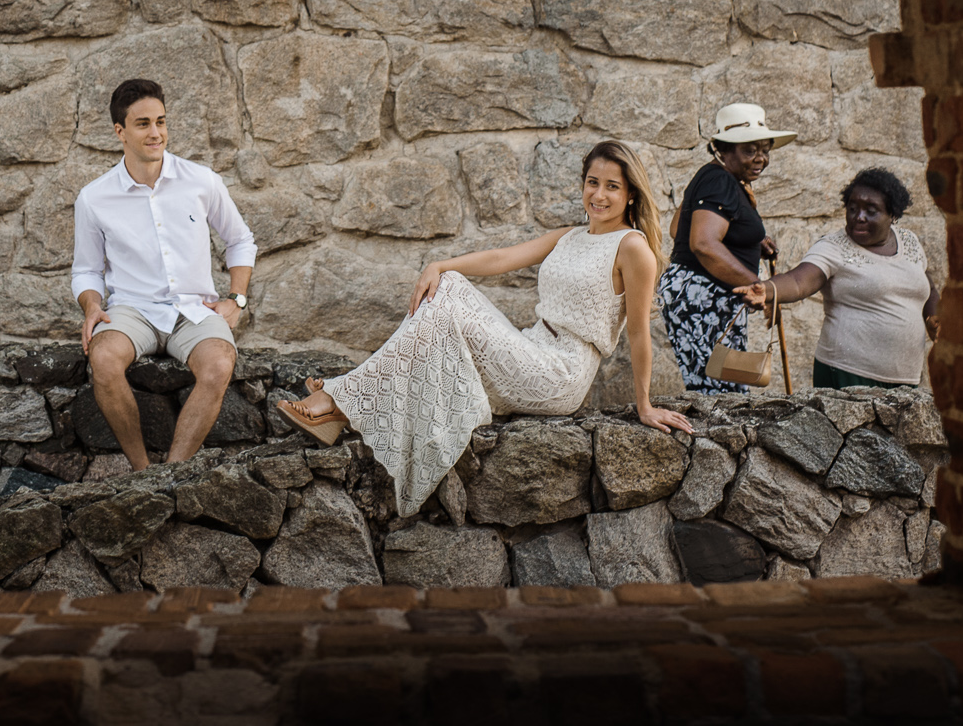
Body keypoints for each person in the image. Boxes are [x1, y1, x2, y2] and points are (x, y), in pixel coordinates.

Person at [272, 140, 693, 517]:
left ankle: (338, 397)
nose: (598, 195)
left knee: (449, 299)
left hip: (562, 372)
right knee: (448, 288)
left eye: (612, 186)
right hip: (532, 346)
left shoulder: (633, 248)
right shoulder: (571, 235)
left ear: (631, 193)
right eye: (592, 182)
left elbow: (638, 333)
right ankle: (344, 407)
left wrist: (644, 405)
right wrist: (439, 263)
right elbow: (500, 258)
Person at [73, 78, 256, 471]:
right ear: (119, 131)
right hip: (131, 311)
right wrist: (91, 305)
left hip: (194, 308)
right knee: (103, 359)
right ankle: (141, 472)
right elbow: (87, 269)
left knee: (220, 363)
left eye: (161, 121)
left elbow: (240, 240)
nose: (156, 133)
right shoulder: (94, 197)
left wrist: (236, 298)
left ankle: (171, 474)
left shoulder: (201, 181)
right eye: (143, 124)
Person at [736, 167, 940, 389]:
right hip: (847, 373)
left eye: (871, 211)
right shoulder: (834, 247)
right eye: (852, 209)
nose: (859, 217)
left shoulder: (909, 241)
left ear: (892, 214)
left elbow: (925, 285)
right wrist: (767, 290)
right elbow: (798, 282)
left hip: (905, 377)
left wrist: (934, 317)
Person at [659, 103, 795, 395]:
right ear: (724, 149)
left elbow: (677, 229)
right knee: (718, 397)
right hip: (702, 299)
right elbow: (703, 244)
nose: (760, 159)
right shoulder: (719, 180)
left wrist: (749, 240)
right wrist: (758, 286)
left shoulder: (716, 178)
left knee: (725, 390)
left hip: (705, 298)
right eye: (750, 150)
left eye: (765, 150)